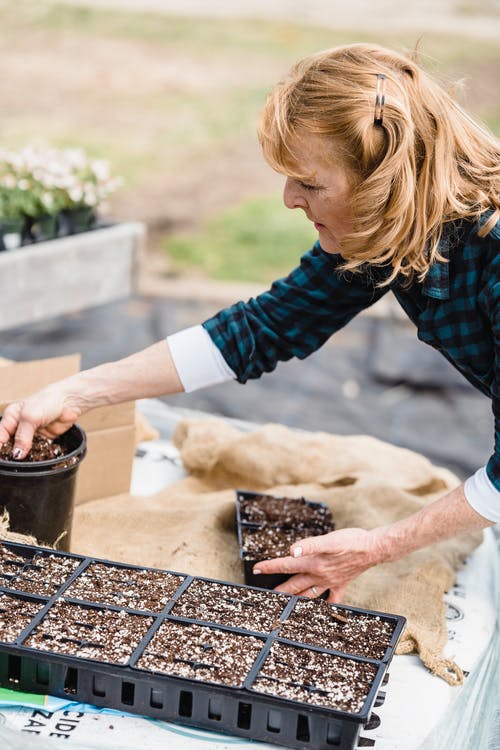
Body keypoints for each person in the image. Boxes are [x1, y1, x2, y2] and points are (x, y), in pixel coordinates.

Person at [1, 43, 499, 603]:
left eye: (310, 184)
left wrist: (379, 545)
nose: (289, 199)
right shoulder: (382, 228)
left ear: (387, 181)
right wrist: (75, 392)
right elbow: (259, 331)